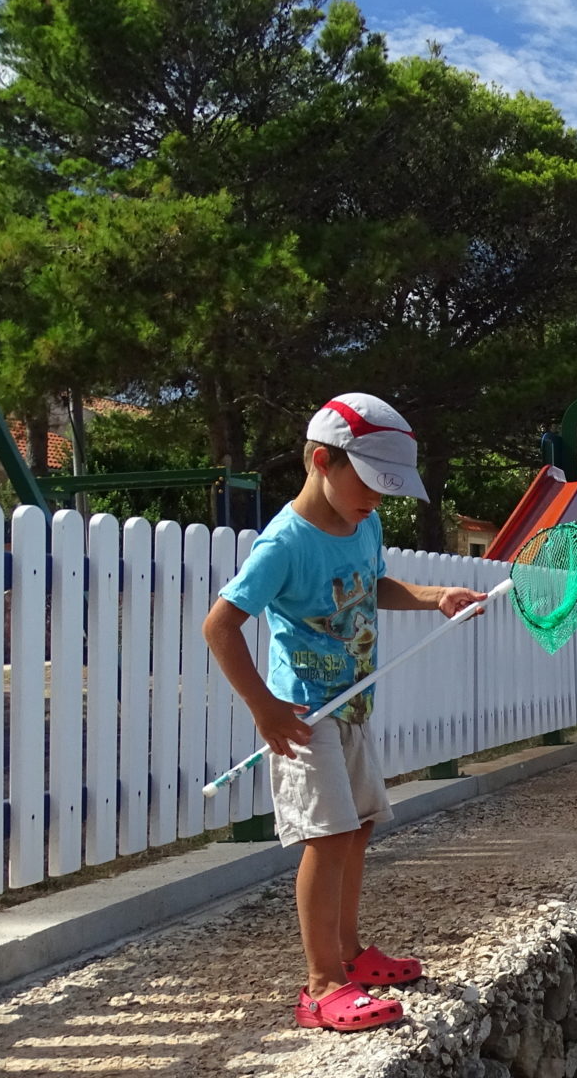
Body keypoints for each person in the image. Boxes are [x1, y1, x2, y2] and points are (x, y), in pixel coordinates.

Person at [203, 393, 487, 1033]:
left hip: (354, 704)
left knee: (356, 828)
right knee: (326, 837)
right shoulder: (284, 543)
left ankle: (351, 956)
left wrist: (437, 596)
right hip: (304, 713)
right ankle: (321, 984)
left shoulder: (364, 524)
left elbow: (374, 586)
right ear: (323, 460)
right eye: (371, 485)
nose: (379, 502)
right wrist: (265, 708)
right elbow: (220, 626)